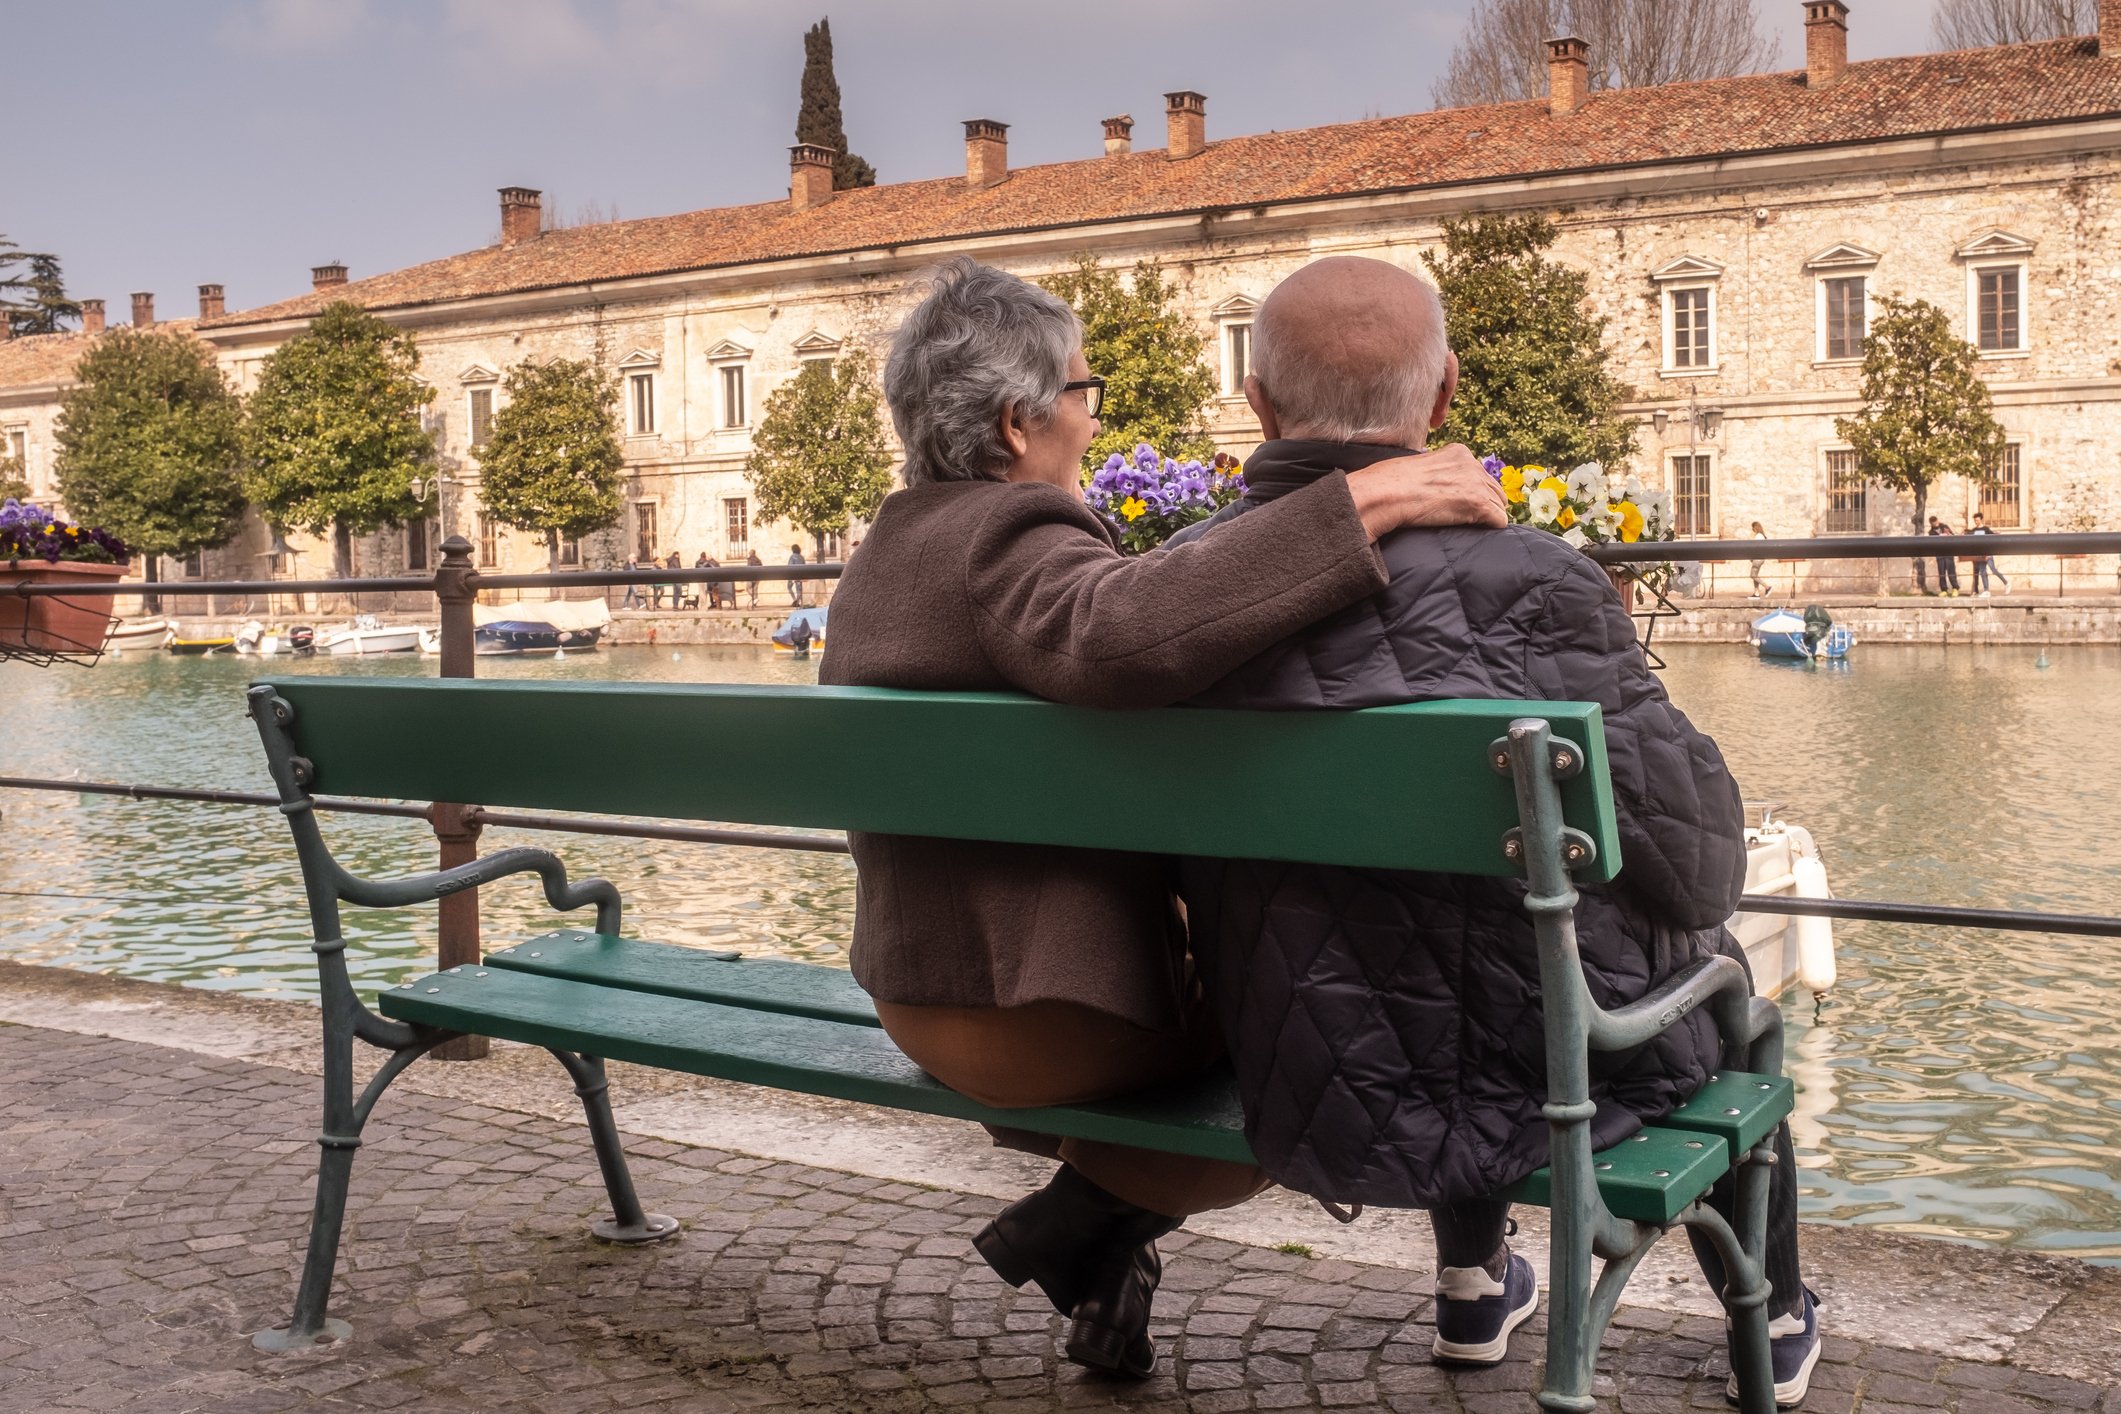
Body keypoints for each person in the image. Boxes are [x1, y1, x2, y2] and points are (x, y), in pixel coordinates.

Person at [818, 255, 1507, 1379]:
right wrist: (1372, 496)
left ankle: (1104, 1248)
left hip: (916, 1004)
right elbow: (1122, 632)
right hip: (1050, 1020)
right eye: (1083, 393)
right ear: (1017, 423)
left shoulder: (885, 556)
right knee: (1321, 1030)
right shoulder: (1006, 538)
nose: (1092, 419)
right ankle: (1081, 1219)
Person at [1169, 256, 1821, 1405]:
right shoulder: (1537, 583)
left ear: (1258, 405)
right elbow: (1700, 867)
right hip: (1553, 1064)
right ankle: (1771, 1315)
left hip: (1299, 1050)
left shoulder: (1174, 594)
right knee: (1709, 977)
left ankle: (1475, 1281)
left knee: (1408, 931)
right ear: (1444, 395)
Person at [1968, 512, 2009, 595]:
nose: (1976, 522)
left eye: (1977, 520)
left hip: (1988, 553)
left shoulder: (1986, 529)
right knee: (1982, 572)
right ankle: (1986, 590)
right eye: (1975, 520)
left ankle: (2006, 583)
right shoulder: (1974, 530)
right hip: (1980, 554)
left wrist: (1997, 534)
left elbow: (1992, 537)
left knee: (1993, 570)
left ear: (1981, 520)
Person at [1929, 517, 1961, 596]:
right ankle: (1944, 590)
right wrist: (1940, 536)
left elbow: (1953, 536)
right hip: (1939, 554)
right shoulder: (1931, 532)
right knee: (1941, 572)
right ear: (1931, 524)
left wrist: (1948, 534)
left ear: (1938, 520)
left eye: (1936, 522)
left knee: (1951, 571)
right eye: (1933, 523)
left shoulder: (1944, 526)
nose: (1935, 524)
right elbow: (1933, 543)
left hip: (1948, 552)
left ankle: (1955, 588)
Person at [1750, 521, 1771, 599]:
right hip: (1760, 558)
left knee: (1752, 575)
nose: (1752, 530)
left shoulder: (1758, 536)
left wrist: (1752, 556)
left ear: (1755, 528)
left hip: (1757, 559)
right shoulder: (1762, 536)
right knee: (1755, 575)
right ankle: (1756, 593)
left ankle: (1767, 587)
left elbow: (1756, 548)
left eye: (1752, 528)